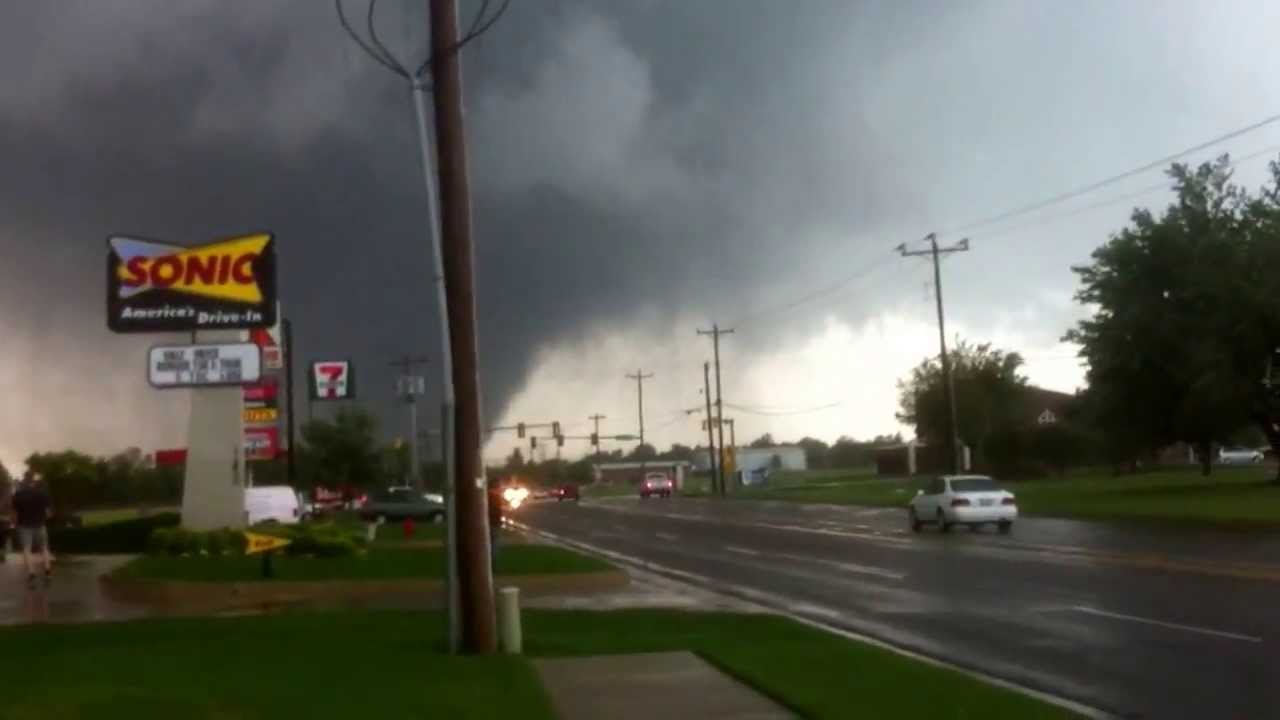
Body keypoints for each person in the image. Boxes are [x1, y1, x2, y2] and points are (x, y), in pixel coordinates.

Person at [10, 473, 52, 588]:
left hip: (24, 525)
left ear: (24, 481)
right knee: (44, 548)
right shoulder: (41, 494)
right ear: (33, 481)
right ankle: (48, 571)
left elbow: (14, 513)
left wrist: (14, 523)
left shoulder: (18, 495)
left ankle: (31, 573)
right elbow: (48, 513)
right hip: (40, 524)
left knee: (26, 549)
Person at [487, 480, 504, 573]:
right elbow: (496, 512)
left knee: (489, 545)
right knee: (494, 546)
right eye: (499, 486)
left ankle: (489, 564)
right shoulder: (495, 497)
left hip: (489, 524)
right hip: (494, 524)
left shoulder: (485, 496)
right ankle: (492, 565)